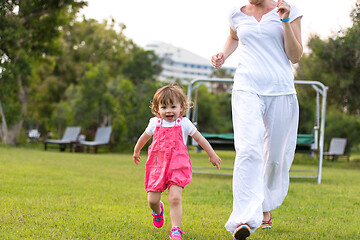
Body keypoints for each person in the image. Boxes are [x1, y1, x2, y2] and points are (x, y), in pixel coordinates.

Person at [211, 0, 303, 239]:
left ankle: (264, 206)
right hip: (246, 87)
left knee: (274, 157)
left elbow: (295, 55)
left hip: (280, 90)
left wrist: (284, 20)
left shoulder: (289, 10)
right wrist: (223, 54)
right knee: (247, 150)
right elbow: (234, 38)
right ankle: (244, 218)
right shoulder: (236, 13)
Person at [133, 84, 222, 240]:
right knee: (152, 200)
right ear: (157, 109)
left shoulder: (184, 123)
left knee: (175, 198)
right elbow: (144, 137)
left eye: (173, 106)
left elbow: (201, 139)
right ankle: (158, 211)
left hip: (177, 167)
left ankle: (175, 229)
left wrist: (212, 154)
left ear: (181, 107)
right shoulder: (155, 123)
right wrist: (136, 150)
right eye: (164, 107)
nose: (169, 111)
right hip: (158, 167)